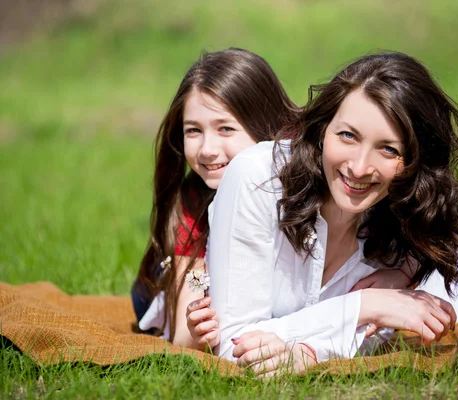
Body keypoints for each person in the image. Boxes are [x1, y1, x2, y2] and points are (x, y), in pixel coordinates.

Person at [203, 51, 458, 376]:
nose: (359, 168)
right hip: (185, 279)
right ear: (323, 129)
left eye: (388, 149)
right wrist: (367, 306)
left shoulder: (402, 214)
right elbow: (232, 345)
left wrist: (309, 352)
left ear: (416, 162)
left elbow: (445, 280)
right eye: (348, 136)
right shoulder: (256, 177)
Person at [131, 48, 418, 351]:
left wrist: (402, 273)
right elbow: (192, 274)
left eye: (225, 128)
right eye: (193, 131)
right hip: (165, 287)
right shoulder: (193, 201)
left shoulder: (291, 172)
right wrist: (195, 314)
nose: (207, 149)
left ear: (263, 124)